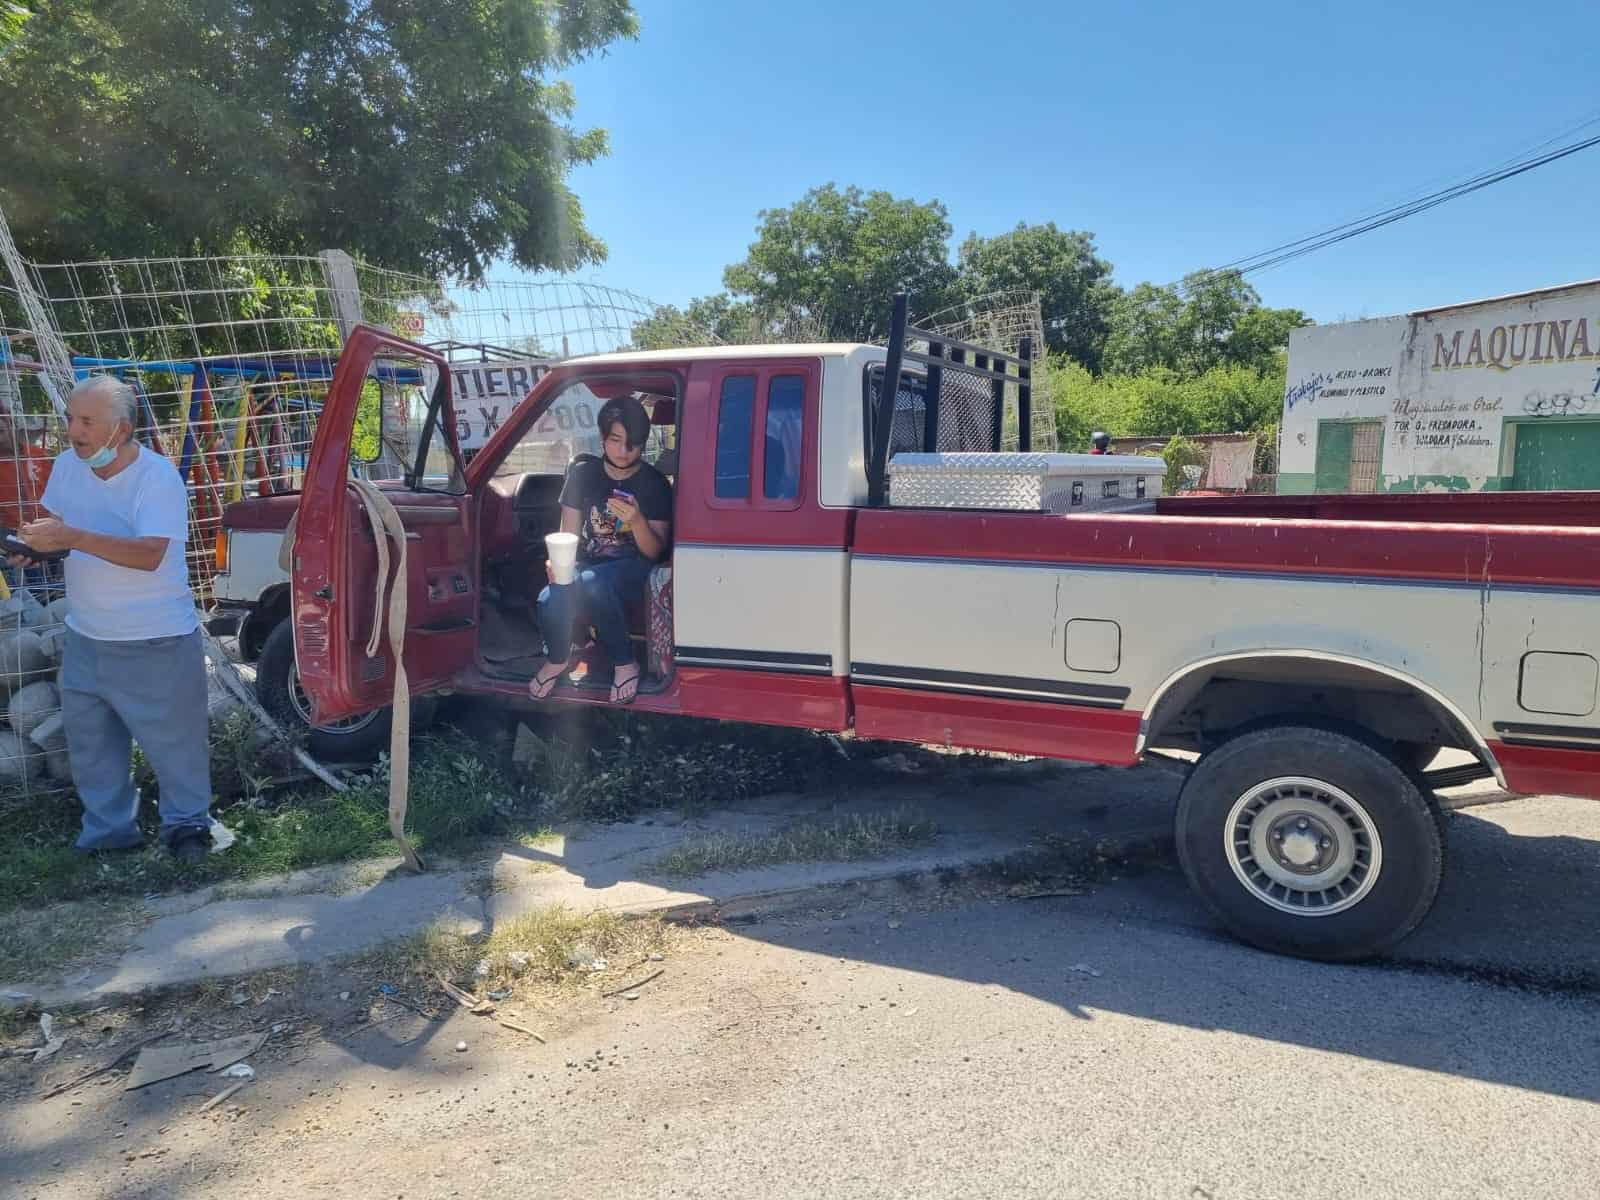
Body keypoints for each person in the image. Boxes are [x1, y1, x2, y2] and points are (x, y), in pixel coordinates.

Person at [14, 377, 213, 862]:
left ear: (120, 430)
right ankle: (109, 834)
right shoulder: (67, 467)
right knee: (92, 748)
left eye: (86, 422)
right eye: (70, 419)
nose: (72, 431)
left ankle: (188, 830)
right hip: (86, 635)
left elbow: (148, 555)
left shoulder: (158, 477)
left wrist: (73, 537)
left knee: (176, 747)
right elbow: (66, 537)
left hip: (156, 640)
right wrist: (35, 551)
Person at [529, 395, 672, 705]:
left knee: (594, 583)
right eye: (615, 440)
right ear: (603, 438)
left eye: (632, 443)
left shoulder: (654, 484)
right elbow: (568, 533)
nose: (623, 450)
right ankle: (557, 658)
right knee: (549, 597)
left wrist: (636, 520)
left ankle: (625, 662)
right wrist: (558, 563)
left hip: (635, 565)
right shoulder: (583, 474)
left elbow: (655, 553)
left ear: (643, 442)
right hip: (591, 563)